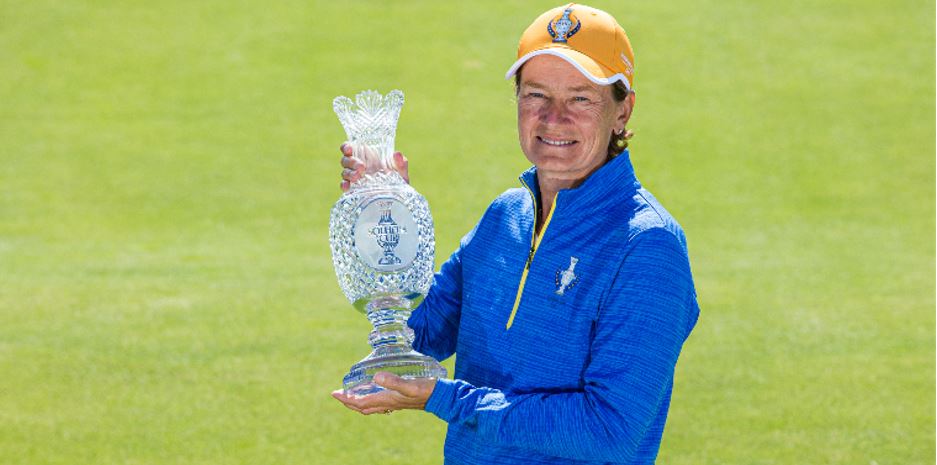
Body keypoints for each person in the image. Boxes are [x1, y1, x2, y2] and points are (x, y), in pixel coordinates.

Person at [332, 4, 700, 464]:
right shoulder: (504, 217)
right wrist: (388, 213)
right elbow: (419, 336)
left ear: (622, 110)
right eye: (536, 95)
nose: (553, 117)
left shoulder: (647, 246)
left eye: (580, 99)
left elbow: (610, 430)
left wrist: (447, 399)